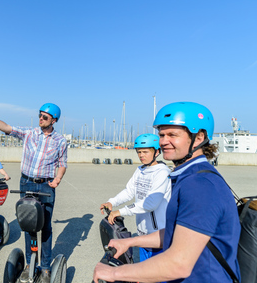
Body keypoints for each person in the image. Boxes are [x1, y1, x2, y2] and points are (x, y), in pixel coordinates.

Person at [93, 102, 241, 283]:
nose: (163, 141)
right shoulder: (188, 176)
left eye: (172, 135)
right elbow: (176, 233)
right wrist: (130, 242)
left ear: (198, 137)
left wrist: (115, 273)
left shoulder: (200, 185)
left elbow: (179, 264)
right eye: (162, 134)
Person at [0, 102, 68, 283]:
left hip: (46, 186)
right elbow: (6, 127)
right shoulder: (29, 133)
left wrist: (58, 178)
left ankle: (45, 268)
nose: (41, 118)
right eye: (40, 115)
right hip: (27, 183)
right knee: (28, 225)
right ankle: (29, 264)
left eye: (45, 117)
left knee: (45, 227)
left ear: (53, 120)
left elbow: (62, 164)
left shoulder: (60, 141)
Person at [99, 133, 171, 263]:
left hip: (158, 235)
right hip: (143, 235)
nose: (141, 155)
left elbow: (151, 204)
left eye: (145, 151)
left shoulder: (162, 172)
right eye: (139, 152)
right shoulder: (140, 170)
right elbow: (129, 191)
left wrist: (120, 211)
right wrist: (112, 202)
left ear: (157, 152)